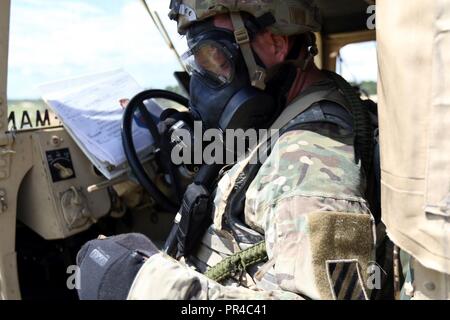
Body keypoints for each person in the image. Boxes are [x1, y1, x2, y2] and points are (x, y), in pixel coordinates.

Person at [76, 0, 376, 300]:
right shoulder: (291, 109)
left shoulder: (306, 164)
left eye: (213, 57)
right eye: (197, 62)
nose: (200, 83)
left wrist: (150, 288)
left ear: (275, 43)